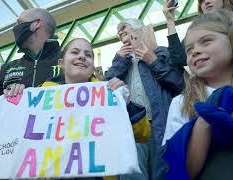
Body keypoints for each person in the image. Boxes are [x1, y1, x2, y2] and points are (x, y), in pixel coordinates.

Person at [42, 38, 151, 180]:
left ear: (93, 66)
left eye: (88, 55)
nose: (81, 56)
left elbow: (143, 135)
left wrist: (126, 105)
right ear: (61, 63)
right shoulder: (41, 96)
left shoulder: (109, 93)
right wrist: (14, 96)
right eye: (75, 52)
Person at [161, 10, 233, 180]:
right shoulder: (181, 102)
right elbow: (177, 170)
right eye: (189, 49)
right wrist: (205, 121)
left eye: (206, 41)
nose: (195, 51)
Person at [104, 18, 184, 179]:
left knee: (163, 173)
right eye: (119, 33)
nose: (121, 33)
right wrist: (119, 61)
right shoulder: (120, 61)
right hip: (131, 128)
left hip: (161, 125)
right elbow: (104, 91)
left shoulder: (161, 52)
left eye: (125, 29)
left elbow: (179, 83)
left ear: (140, 31)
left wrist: (152, 60)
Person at [0, 8, 61, 133]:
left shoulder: (70, 61)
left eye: (19, 23)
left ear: (36, 24)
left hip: (57, 145)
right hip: (13, 146)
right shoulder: (8, 68)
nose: (15, 29)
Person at [163, 0, 233, 68]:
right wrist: (170, 20)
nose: (206, 2)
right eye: (201, 1)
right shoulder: (198, 30)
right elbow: (179, 58)